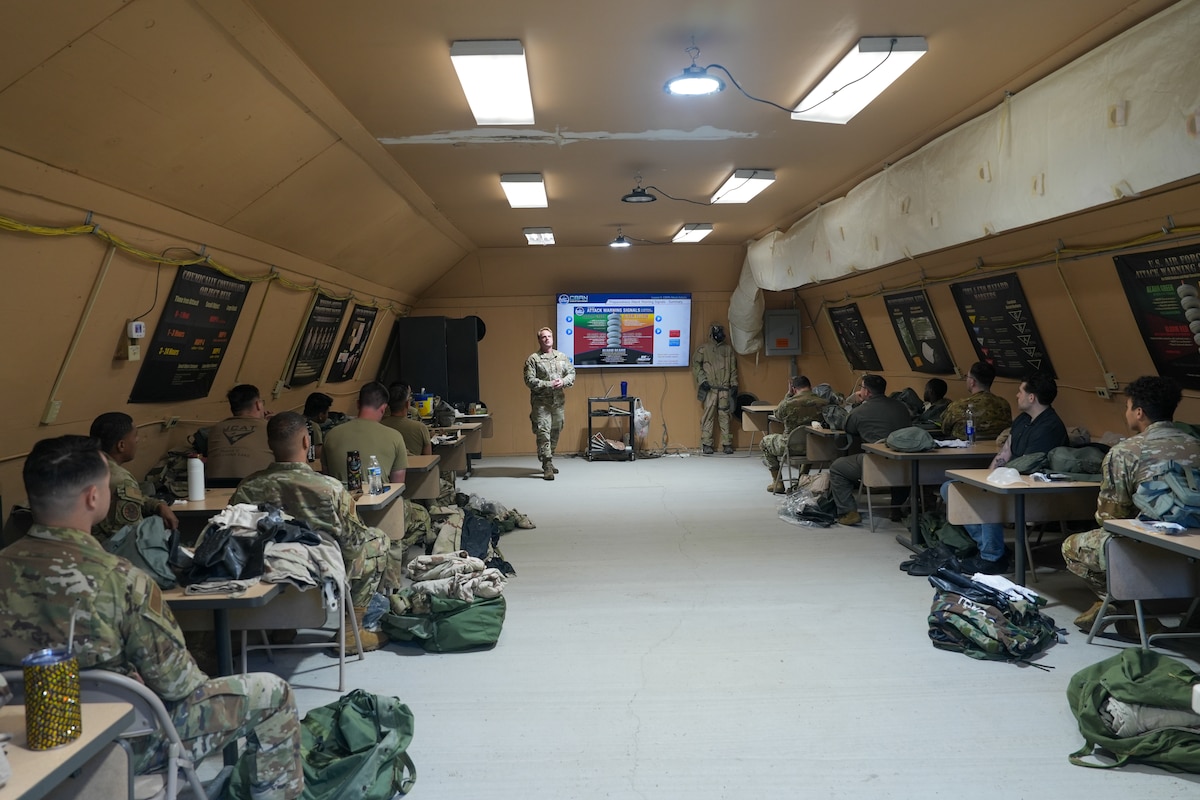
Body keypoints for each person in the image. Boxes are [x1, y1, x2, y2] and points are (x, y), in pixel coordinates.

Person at [0, 436, 302, 799]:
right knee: (274, 693)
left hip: (18, 745)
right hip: (121, 743)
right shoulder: (122, 580)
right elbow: (181, 686)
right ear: (93, 497)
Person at [231, 412, 402, 650]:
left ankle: (282, 628)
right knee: (377, 540)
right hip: (320, 570)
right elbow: (353, 543)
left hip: (267, 568)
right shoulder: (329, 487)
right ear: (305, 442)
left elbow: (233, 533)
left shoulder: (248, 487)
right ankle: (352, 631)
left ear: (269, 445)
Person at [1062, 376, 1200, 631]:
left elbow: (1110, 518)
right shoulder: (1195, 446)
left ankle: (1125, 605)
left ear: (1139, 412)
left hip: (1145, 546)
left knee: (1071, 547)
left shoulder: (1125, 452)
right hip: (1193, 550)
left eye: (1127, 407)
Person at [942, 372, 1069, 574]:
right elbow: (1005, 452)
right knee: (949, 488)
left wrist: (990, 485)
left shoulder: (1050, 427)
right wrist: (986, 478)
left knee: (986, 499)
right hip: (1009, 481)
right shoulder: (1022, 420)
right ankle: (991, 549)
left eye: (1020, 391)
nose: (1017, 395)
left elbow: (1030, 465)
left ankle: (992, 557)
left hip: (1032, 491)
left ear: (1031, 397)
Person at [323, 382, 432, 548]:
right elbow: (398, 486)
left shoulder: (331, 435)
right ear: (383, 408)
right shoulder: (394, 437)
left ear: (358, 404)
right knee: (423, 516)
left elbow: (327, 477)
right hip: (379, 511)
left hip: (340, 513)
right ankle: (392, 547)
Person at [828, 375, 912, 526]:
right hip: (905, 464)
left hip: (876, 463)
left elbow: (849, 429)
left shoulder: (860, 411)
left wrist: (855, 405)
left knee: (837, 468)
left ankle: (849, 512)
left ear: (866, 391)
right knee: (899, 469)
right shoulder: (901, 407)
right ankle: (896, 508)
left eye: (861, 387)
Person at [88, 411, 179, 539]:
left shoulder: (85, 465)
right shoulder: (121, 480)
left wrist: (157, 504)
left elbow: (126, 495)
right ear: (121, 445)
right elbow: (132, 538)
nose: (138, 440)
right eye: (135, 436)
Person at [760, 375, 828, 493]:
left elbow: (777, 414)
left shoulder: (789, 403)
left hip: (790, 446)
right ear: (810, 387)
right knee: (808, 442)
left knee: (765, 442)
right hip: (814, 447)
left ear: (794, 389)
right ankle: (802, 478)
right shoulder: (823, 402)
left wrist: (788, 395)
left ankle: (778, 483)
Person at [524, 326, 576, 480]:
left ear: (553, 338)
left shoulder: (561, 357)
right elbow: (529, 380)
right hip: (541, 403)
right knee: (543, 431)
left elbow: (572, 373)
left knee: (556, 429)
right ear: (539, 340)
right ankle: (547, 463)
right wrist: (549, 384)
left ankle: (549, 456)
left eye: (549, 336)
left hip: (558, 402)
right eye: (544, 337)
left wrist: (563, 381)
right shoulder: (533, 359)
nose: (547, 339)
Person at [206, 384, 273, 484]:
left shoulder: (216, 428)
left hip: (215, 487)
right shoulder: (270, 428)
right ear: (258, 404)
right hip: (254, 488)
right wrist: (276, 423)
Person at [692, 322, 738, 455]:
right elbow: (695, 365)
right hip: (710, 389)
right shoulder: (703, 349)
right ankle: (707, 444)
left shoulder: (728, 349)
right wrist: (702, 380)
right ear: (712, 334)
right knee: (708, 416)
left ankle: (727, 443)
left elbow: (733, 368)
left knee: (725, 416)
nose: (720, 336)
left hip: (724, 389)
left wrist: (734, 384)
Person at [938, 362, 1011, 440]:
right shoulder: (1004, 404)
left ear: (972, 382)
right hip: (996, 449)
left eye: (967, 376)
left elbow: (945, 430)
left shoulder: (958, 406)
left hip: (962, 450)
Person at [382, 383, 433, 456]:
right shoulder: (420, 428)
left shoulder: (379, 426)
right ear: (407, 404)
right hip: (415, 466)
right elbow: (428, 460)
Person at [302, 391, 334, 467]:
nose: (327, 415)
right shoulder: (313, 426)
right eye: (326, 413)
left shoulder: (297, 421)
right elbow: (317, 453)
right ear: (320, 415)